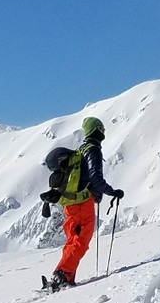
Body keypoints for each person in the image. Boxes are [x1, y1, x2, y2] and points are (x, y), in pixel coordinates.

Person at [47, 116, 124, 288]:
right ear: (96, 130)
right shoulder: (93, 150)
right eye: (101, 128)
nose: (103, 132)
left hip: (70, 203)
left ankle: (67, 277)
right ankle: (62, 275)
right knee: (81, 240)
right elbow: (95, 178)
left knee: (73, 239)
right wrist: (112, 192)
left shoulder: (81, 150)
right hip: (82, 203)